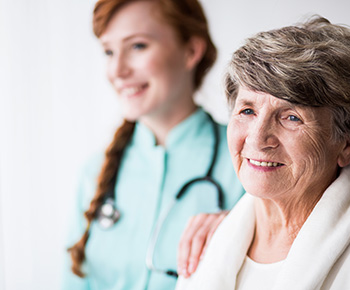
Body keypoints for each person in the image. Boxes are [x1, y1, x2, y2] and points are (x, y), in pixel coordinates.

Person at [176, 16, 350, 289]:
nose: (258, 138)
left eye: (291, 117)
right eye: (247, 110)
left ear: (349, 142)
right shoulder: (209, 245)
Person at [62, 0, 244, 289]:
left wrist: (240, 229)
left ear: (191, 51)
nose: (117, 70)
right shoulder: (94, 173)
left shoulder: (248, 159)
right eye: (109, 51)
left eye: (137, 46)